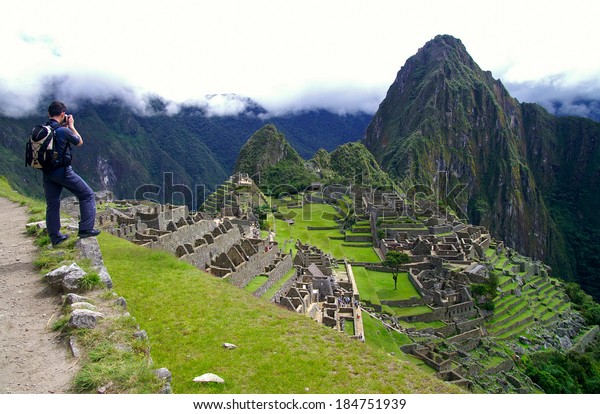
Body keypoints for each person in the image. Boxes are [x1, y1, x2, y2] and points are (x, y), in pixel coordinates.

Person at [43, 101, 100, 246]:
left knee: (52, 204)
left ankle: (55, 237)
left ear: (49, 114)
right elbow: (79, 142)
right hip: (63, 172)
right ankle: (86, 229)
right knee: (87, 194)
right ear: (63, 114)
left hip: (47, 172)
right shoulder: (63, 131)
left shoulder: (44, 130)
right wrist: (71, 126)